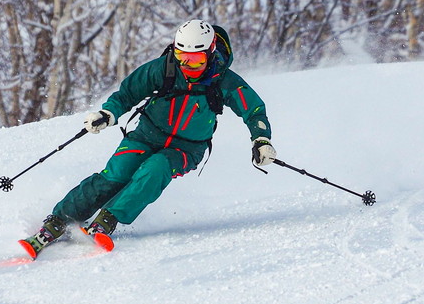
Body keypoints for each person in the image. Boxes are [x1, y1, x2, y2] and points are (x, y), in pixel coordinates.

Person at [20, 19, 275, 256]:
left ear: (210, 53)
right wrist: (108, 113)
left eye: (196, 60)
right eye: (182, 57)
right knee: (116, 174)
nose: (188, 66)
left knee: (155, 169)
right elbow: (127, 94)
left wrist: (261, 139)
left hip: (187, 149)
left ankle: (107, 219)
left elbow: (253, 110)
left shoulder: (224, 82)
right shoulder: (163, 69)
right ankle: (57, 221)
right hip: (146, 135)